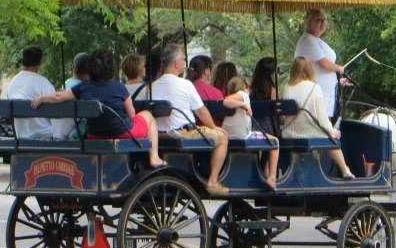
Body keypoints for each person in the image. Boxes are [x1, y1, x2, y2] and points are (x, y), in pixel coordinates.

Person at [32, 51, 165, 168]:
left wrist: (41, 98)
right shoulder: (119, 88)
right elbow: (131, 114)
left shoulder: (83, 87)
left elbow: (58, 96)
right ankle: (154, 157)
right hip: (121, 132)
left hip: (94, 134)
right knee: (148, 115)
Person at [150, 44, 229, 194]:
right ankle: (213, 181)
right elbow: (201, 111)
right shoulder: (185, 84)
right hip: (182, 133)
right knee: (223, 137)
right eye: (183, 59)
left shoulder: (152, 86)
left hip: (159, 135)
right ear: (176, 63)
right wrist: (214, 127)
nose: (184, 63)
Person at [282, 57, 355, 179]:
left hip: (289, 132)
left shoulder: (287, 87)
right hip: (309, 131)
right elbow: (321, 116)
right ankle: (344, 170)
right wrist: (331, 131)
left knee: (329, 135)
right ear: (310, 70)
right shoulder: (314, 87)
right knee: (332, 140)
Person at [222, 76, 279, 191]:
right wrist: (244, 105)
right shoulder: (242, 95)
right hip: (242, 135)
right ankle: (272, 177)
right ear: (244, 87)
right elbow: (226, 101)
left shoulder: (237, 98)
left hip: (228, 135)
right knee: (274, 141)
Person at [294, 8, 346, 121]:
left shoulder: (317, 41)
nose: (322, 23)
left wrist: (338, 81)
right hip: (316, 96)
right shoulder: (307, 40)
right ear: (309, 23)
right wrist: (339, 68)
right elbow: (323, 63)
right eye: (319, 20)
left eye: (324, 20)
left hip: (327, 94)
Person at [5, 45, 56, 139]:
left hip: (21, 137)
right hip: (45, 135)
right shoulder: (43, 83)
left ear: (23, 61)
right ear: (39, 63)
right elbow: (55, 110)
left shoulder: (12, 83)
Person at [249, 56, 279, 136]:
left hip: (253, 127)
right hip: (270, 130)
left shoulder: (251, 89)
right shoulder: (272, 89)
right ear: (272, 73)